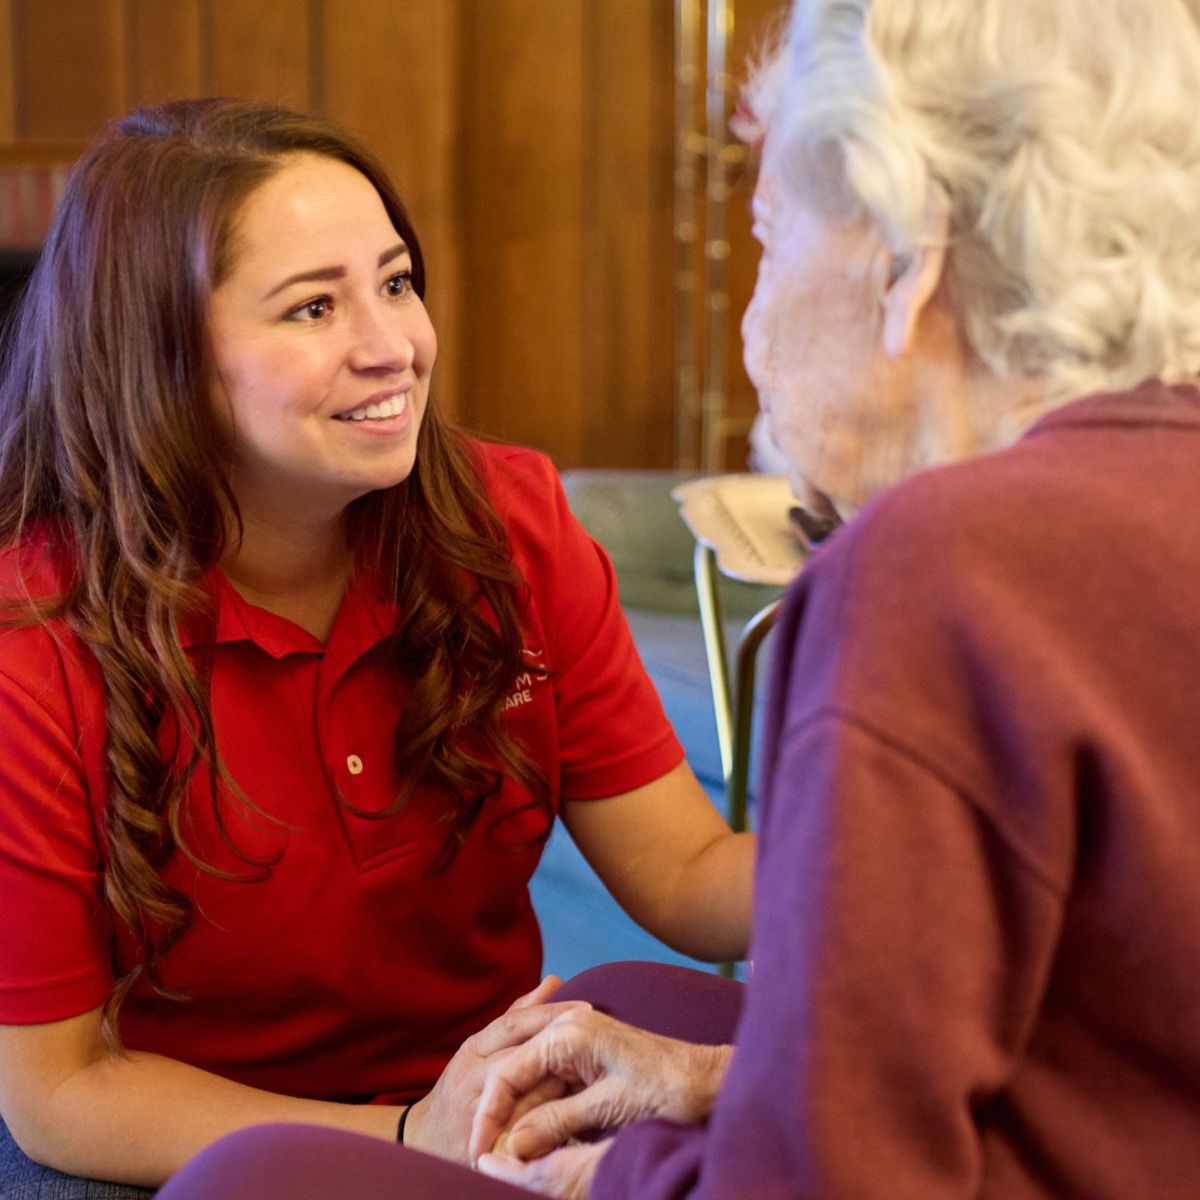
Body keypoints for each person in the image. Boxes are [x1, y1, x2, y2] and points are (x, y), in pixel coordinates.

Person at [150, 0, 1200, 1194]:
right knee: (616, 1009)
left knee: (249, 1183)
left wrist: (614, 1174)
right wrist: (706, 1084)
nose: (757, 309)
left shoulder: (935, 569)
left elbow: (823, 1180)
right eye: (313, 305)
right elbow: (1094, 1042)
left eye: (768, 230)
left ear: (906, 256)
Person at [0, 99, 753, 1197]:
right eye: (312, 307)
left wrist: (935, 837)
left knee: (652, 1001)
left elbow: (685, 877)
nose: (392, 346)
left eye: (396, 283)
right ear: (158, 354)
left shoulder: (511, 523)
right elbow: (61, 1094)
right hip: (162, 1130)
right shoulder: (34, 632)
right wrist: (409, 1135)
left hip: (466, 1093)